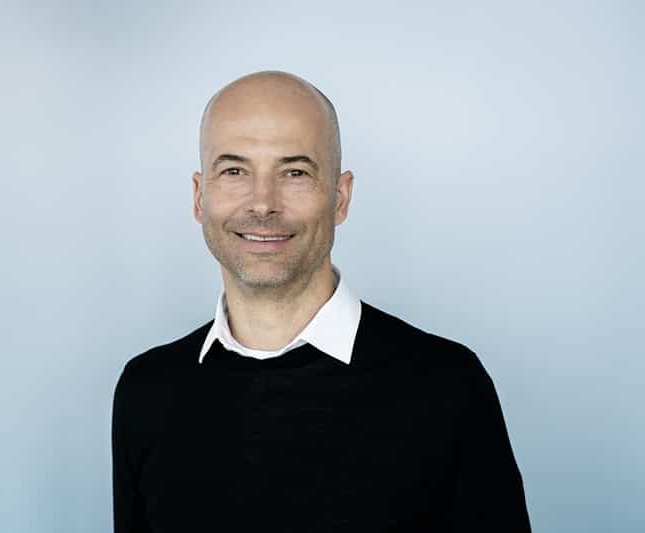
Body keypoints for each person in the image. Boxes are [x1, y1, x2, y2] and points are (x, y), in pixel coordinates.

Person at [112, 70, 532, 532]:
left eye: (295, 172)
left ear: (340, 197)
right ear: (199, 197)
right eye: (234, 171)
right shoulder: (146, 392)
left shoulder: (448, 387)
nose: (262, 204)